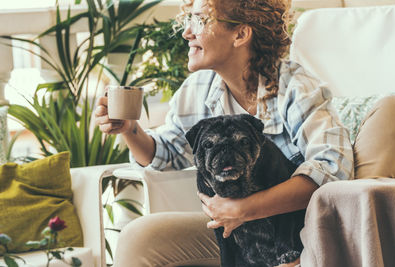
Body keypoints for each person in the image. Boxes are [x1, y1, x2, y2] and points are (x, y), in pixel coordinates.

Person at [95, 0, 354, 266]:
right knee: (139, 238)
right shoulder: (197, 88)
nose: (187, 32)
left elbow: (332, 170)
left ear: (240, 34)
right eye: (189, 20)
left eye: (200, 20)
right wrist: (129, 129)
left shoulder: (295, 87)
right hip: (234, 231)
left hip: (300, 234)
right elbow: (167, 153)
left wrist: (245, 209)